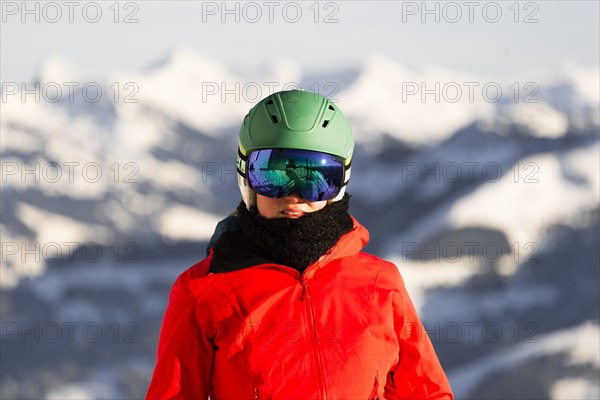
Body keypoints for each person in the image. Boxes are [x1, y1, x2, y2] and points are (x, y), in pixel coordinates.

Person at [146, 89, 453, 399]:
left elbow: (427, 392)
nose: (293, 195)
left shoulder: (380, 283)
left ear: (338, 185)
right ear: (247, 179)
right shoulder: (203, 290)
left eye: (315, 178)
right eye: (274, 176)